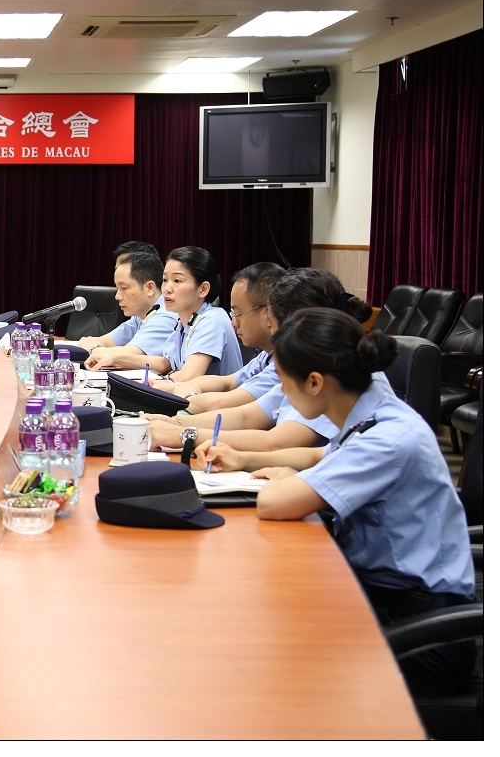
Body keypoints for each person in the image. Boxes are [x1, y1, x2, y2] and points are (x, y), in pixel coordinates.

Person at [203, 308, 476, 694]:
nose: (281, 393)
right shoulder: (369, 411)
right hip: (380, 598)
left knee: (262, 654)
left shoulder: (386, 439)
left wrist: (294, 482)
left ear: (315, 382)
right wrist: (252, 461)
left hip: (422, 633)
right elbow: (325, 457)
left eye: (283, 380)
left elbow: (274, 504)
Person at [145, 267, 379, 456]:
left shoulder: (332, 378)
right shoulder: (313, 367)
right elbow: (247, 417)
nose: (271, 331)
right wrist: (175, 423)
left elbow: (276, 443)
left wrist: (184, 434)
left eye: (273, 325)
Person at [89, 246, 242, 380]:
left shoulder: (212, 320)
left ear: (203, 289)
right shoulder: (182, 322)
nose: (167, 288)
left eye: (177, 281)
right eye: (164, 280)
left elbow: (187, 377)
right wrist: (116, 357)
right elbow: (165, 363)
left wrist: (162, 380)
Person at [153, 262, 287, 412]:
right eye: (165, 280)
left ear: (268, 313)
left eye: (238, 313)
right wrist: (174, 387)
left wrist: (186, 395)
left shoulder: (285, 364)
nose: (234, 323)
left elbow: (238, 413)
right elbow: (227, 382)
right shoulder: (266, 356)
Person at [77, 251, 177, 363]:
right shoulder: (142, 314)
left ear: (149, 288)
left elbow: (126, 355)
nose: (117, 296)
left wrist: (92, 348)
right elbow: (106, 341)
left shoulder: (166, 316)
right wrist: (92, 344)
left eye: (124, 288)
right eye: (117, 288)